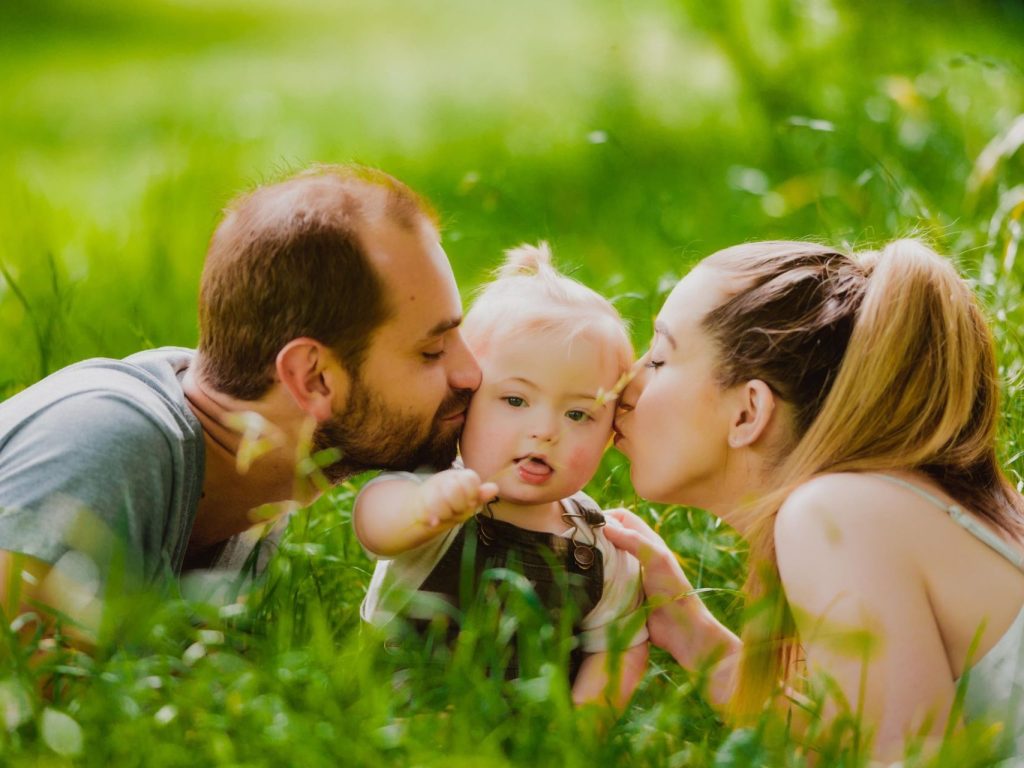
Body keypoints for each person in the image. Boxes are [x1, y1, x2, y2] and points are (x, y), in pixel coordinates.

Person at [0, 164, 481, 642]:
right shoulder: (108, 444)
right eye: (432, 351)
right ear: (312, 378)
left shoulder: (246, 492)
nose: (471, 373)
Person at [605, 239, 1024, 761]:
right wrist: (691, 634)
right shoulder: (879, 506)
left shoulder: (832, 515)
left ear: (747, 412)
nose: (621, 385)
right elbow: (849, 734)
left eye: (659, 358)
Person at [355, 243, 649, 708]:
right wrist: (423, 509)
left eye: (578, 414)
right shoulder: (436, 491)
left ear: (611, 432)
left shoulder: (599, 546)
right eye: (515, 401)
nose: (545, 431)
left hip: (529, 737)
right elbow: (375, 520)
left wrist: (577, 734)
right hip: (405, 722)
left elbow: (619, 645)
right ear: (465, 401)